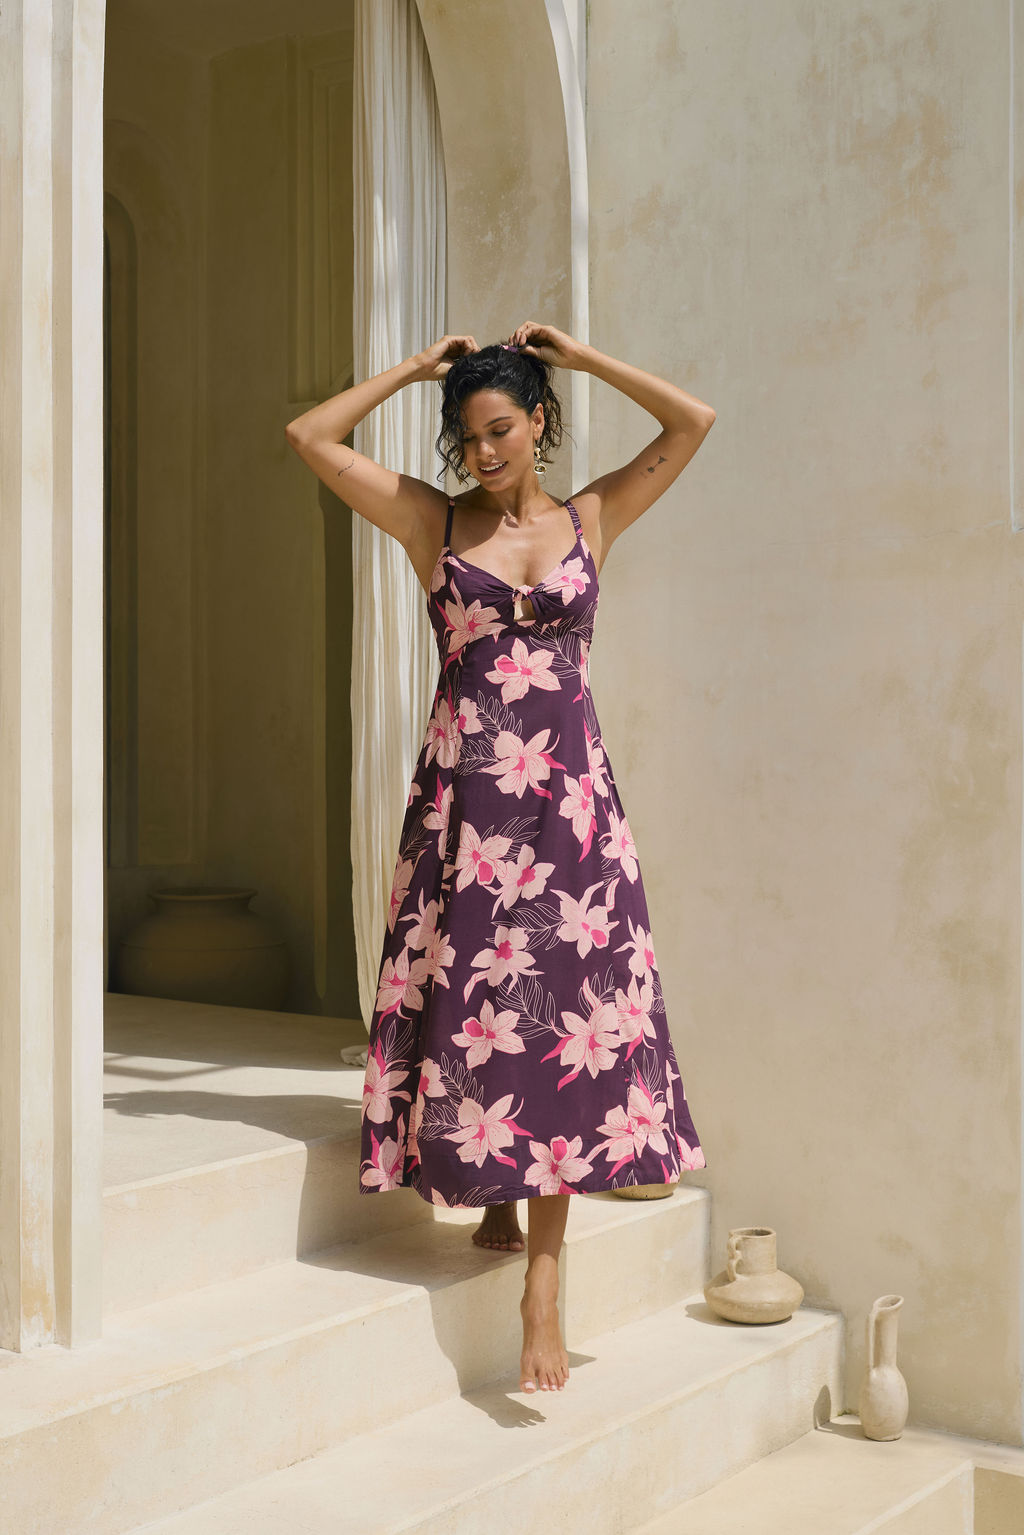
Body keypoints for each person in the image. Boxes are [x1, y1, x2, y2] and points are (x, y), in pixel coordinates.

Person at [285, 321, 715, 1395]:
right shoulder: (431, 522)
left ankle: (542, 1288)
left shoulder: (589, 517)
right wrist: (418, 368)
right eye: (464, 433)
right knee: (486, 1005)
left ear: (536, 424)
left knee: (563, 1015)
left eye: (500, 428)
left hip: (568, 805)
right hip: (470, 805)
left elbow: (691, 421)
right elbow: (310, 434)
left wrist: (579, 357)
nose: (481, 451)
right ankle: (498, 1190)